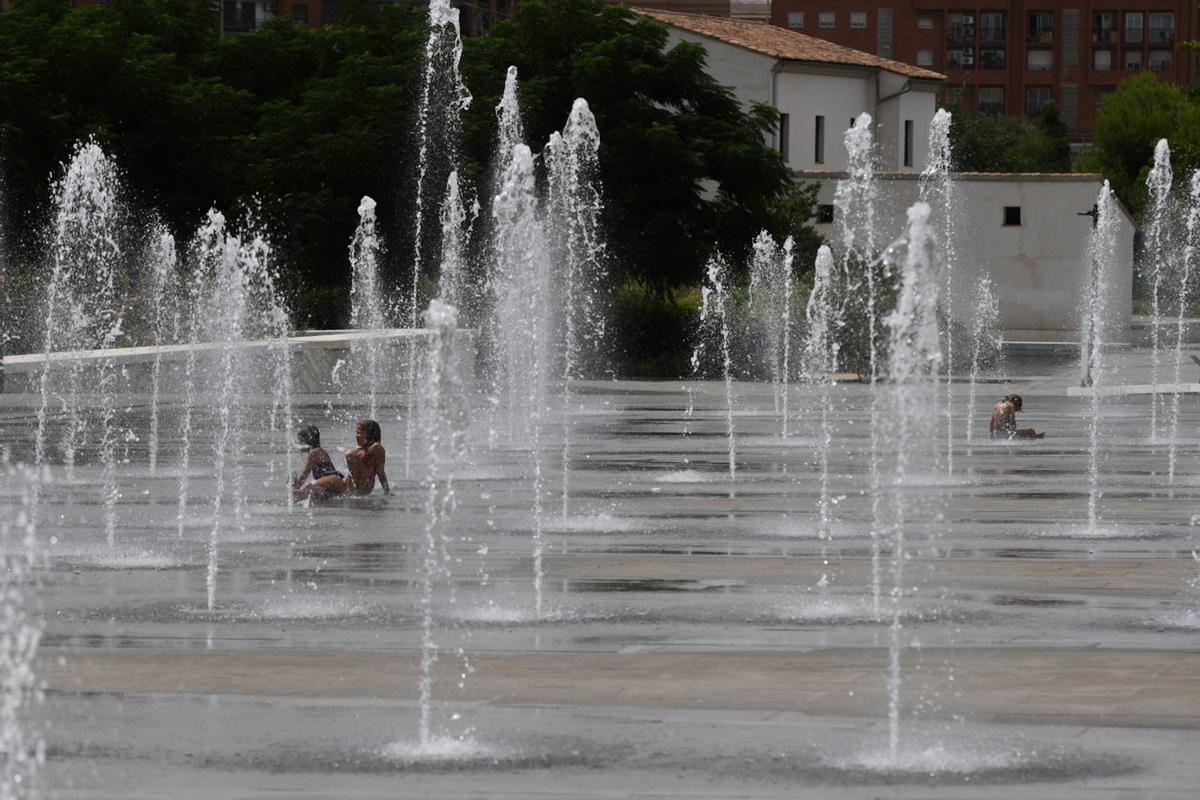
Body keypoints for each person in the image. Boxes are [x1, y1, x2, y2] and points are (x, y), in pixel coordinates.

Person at [293, 426, 345, 500]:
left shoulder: (314, 452)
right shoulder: (318, 450)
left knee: (302, 492)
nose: (300, 445)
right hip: (333, 483)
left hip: (332, 481)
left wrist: (296, 487)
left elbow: (305, 474)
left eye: (301, 441)